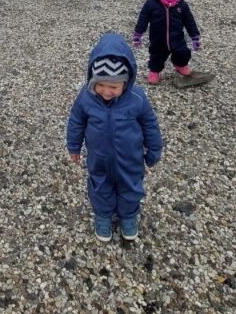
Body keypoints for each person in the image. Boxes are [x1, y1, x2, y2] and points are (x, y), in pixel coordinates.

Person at [66, 32, 164, 243]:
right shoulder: (86, 97)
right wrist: (74, 147)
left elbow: (150, 124)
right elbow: (76, 121)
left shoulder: (137, 98)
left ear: (126, 82)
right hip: (99, 157)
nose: (106, 91)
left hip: (130, 158)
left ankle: (128, 216)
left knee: (131, 187)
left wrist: (154, 149)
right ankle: (103, 215)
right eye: (100, 85)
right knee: (100, 185)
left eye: (113, 87)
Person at [132, 0, 201, 84]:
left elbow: (189, 21)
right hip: (158, 39)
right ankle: (154, 71)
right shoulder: (151, 4)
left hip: (177, 38)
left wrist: (195, 36)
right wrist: (138, 34)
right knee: (156, 56)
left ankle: (180, 64)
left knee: (183, 52)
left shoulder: (181, 5)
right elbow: (143, 18)